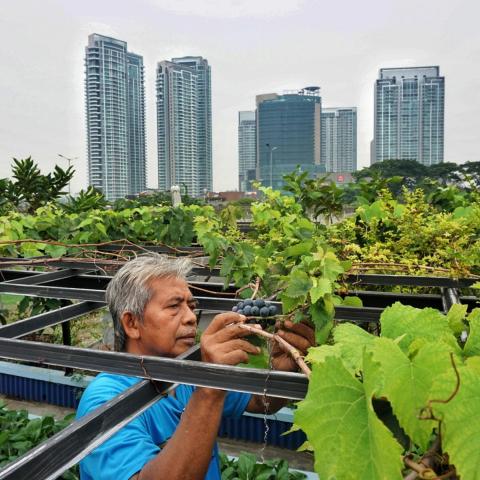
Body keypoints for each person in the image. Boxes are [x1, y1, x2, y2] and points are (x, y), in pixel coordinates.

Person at [76, 254, 315, 480]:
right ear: (132, 323)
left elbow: (260, 401)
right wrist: (210, 387)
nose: (191, 316)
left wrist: (282, 369)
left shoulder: (185, 374)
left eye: (191, 305)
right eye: (174, 306)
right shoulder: (104, 400)